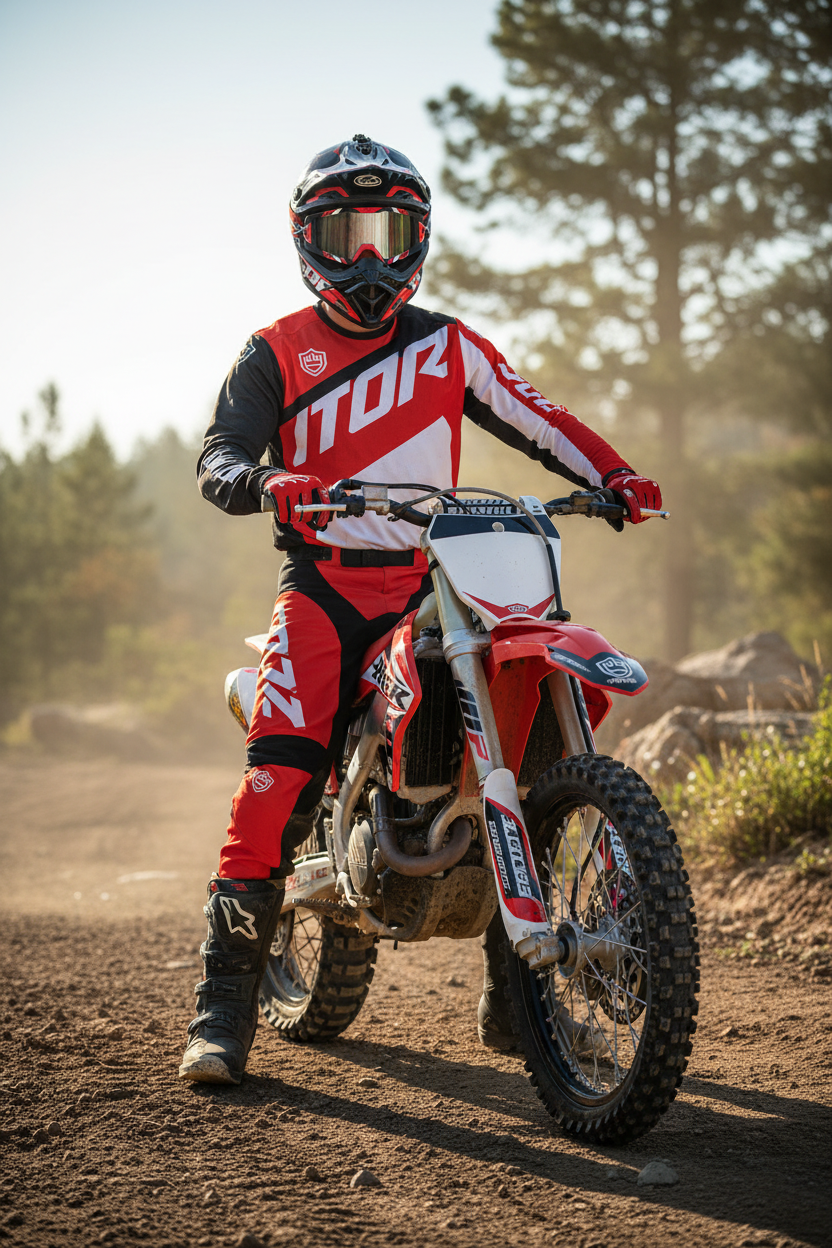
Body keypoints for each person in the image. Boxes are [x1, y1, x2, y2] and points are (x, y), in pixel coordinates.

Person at [179, 134, 662, 1085]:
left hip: (438, 578)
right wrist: (267, 480)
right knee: (279, 775)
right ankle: (221, 1013)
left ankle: (513, 1000)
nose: (367, 257)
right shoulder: (273, 350)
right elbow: (218, 457)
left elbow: (537, 415)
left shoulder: (448, 345)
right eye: (345, 233)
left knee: (526, 747)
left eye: (387, 232)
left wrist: (613, 474)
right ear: (308, 239)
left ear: (418, 240)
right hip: (322, 588)